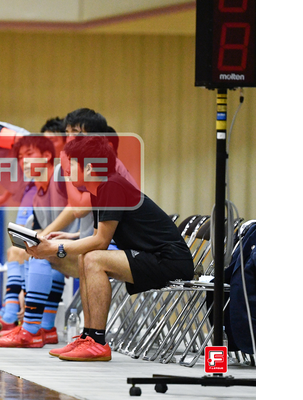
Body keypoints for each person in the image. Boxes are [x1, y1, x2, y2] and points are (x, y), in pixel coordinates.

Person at [25, 136, 194, 362]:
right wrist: (69, 237)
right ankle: (88, 337)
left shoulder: (112, 186)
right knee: (86, 257)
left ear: (89, 167)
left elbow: (100, 242)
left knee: (93, 259)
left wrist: (56, 248)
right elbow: (99, 235)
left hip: (170, 261)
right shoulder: (100, 189)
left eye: (71, 165)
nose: (66, 172)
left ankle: (97, 341)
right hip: (152, 256)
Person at [0, 135, 78, 348]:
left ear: (47, 155)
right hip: (62, 250)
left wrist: (44, 236)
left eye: (29, 154)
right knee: (23, 249)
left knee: (38, 250)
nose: (24, 161)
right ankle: (43, 326)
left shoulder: (60, 174)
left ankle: (29, 328)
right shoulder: (38, 196)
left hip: (83, 244)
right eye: (20, 157)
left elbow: (75, 208)